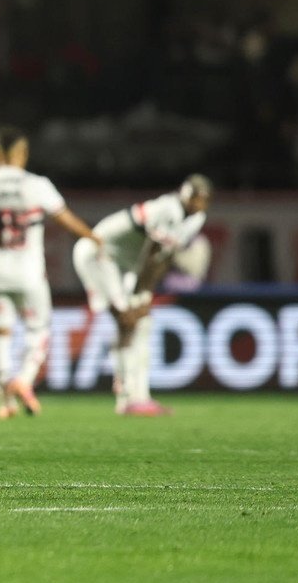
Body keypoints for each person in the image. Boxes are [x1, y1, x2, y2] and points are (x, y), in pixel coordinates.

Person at [0, 127, 100, 419]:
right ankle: (24, 379)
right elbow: (66, 219)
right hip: (29, 275)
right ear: (22, 153)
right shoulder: (36, 185)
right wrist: (94, 238)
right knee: (39, 330)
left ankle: (4, 403)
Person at [72, 175, 212, 416]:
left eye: (199, 200)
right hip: (99, 255)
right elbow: (152, 253)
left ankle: (136, 395)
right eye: (191, 198)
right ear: (183, 194)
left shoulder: (196, 219)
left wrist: (143, 298)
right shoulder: (168, 209)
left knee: (141, 322)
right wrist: (143, 297)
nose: (194, 204)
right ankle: (128, 395)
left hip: (123, 265)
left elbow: (165, 257)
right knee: (128, 318)